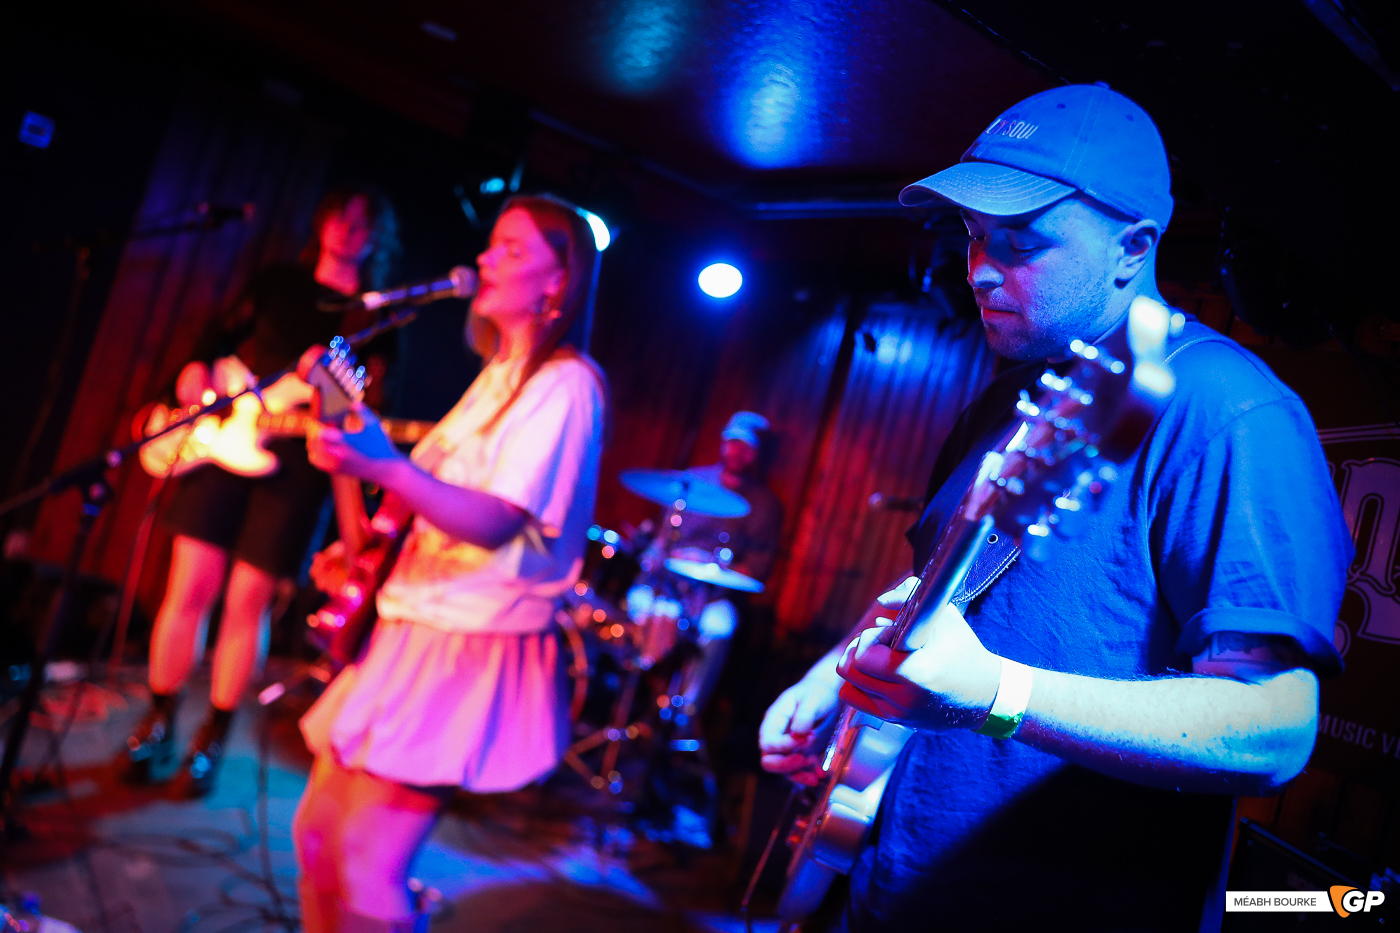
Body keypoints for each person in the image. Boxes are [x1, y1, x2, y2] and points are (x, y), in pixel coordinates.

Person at [758, 84, 1352, 931]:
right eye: (972, 237)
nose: (980, 269)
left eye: (1022, 241)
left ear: (1132, 247)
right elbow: (939, 596)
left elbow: (1273, 726)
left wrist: (999, 693)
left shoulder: (1228, 412)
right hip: (890, 881)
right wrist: (834, 679)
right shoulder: (1009, 399)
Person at [292, 194, 607, 933]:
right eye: (490, 245)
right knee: (315, 838)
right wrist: (345, 453)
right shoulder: (495, 376)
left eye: (511, 250)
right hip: (408, 626)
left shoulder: (566, 384)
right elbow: (415, 513)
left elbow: (496, 520)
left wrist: (390, 467)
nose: (485, 260)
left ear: (558, 281)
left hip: (464, 643)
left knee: (368, 865)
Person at [122, 187, 399, 796]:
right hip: (226, 446)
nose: (349, 231)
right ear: (322, 222)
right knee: (189, 585)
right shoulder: (278, 282)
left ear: (377, 238)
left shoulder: (374, 318)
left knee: (247, 601)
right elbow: (212, 345)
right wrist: (195, 383)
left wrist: (323, 379)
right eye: (340, 218)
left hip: (300, 466)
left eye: (363, 223)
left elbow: (359, 416)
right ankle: (159, 716)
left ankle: (213, 734)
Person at [627, 411, 783, 695]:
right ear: (723, 443)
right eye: (733, 442)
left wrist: (717, 567)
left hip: (715, 596)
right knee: (643, 602)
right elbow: (663, 542)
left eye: (747, 447)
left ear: (756, 454)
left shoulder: (765, 505)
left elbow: (759, 568)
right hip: (670, 585)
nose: (738, 452)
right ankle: (635, 687)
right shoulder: (689, 483)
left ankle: (684, 710)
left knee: (720, 624)